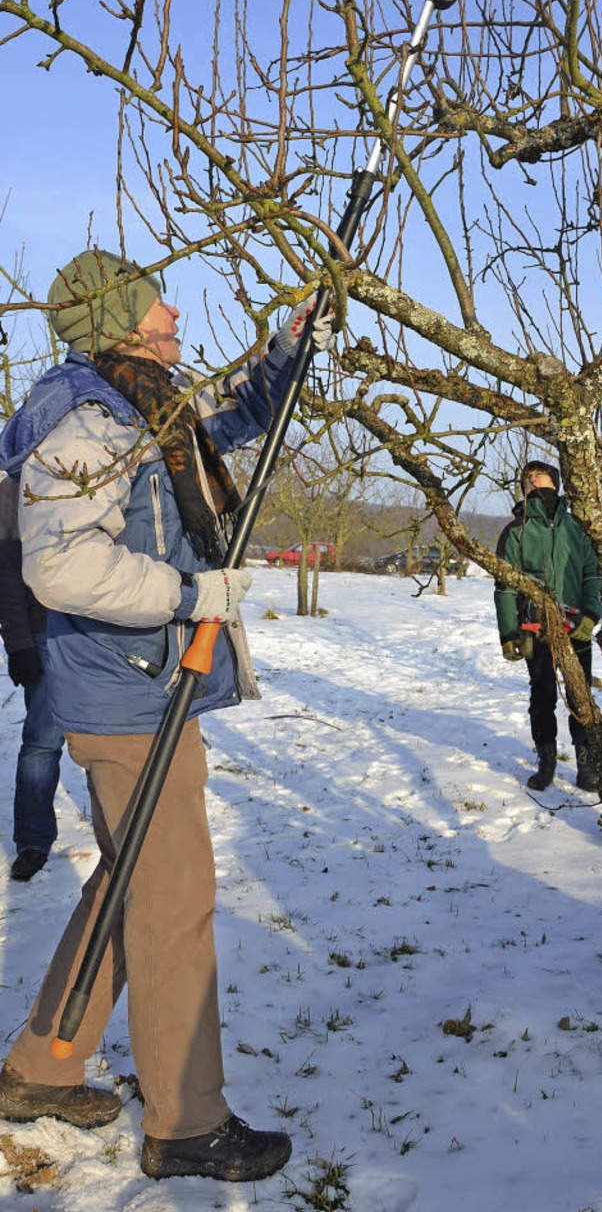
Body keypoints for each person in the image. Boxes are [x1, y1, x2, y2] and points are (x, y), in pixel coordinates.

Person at [0, 248, 333, 1183]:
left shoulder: (143, 406)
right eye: (155, 301)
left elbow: (231, 420)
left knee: (128, 877)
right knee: (175, 897)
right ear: (118, 319)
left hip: (138, 686)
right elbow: (57, 564)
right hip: (130, 692)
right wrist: (191, 592)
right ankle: (187, 1121)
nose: (174, 308)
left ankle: (39, 1065)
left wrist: (287, 348)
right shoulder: (88, 422)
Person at [495, 460, 602, 793]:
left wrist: (591, 615)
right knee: (542, 697)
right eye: (525, 478)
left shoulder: (577, 529)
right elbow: (505, 586)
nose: (530, 480)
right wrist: (509, 632)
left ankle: (587, 766)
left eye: (537, 475)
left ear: (554, 482)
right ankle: (546, 763)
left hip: (575, 628)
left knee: (580, 697)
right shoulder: (516, 531)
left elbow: (592, 576)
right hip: (535, 628)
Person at [0, 475, 64, 881]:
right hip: (43, 633)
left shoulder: (106, 468)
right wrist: (19, 644)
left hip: (99, 633)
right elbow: (5, 576)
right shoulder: (12, 491)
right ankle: (33, 841)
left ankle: (122, 834)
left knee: (112, 738)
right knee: (41, 742)